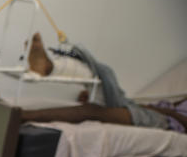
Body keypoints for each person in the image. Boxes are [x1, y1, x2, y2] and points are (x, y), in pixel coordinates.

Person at [21, 33, 187, 132]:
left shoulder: (165, 119)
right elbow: (175, 104)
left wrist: (159, 110)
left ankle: (23, 115)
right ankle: (50, 67)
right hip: (146, 109)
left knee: (93, 111)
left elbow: (180, 117)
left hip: (166, 122)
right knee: (105, 72)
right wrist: (150, 106)